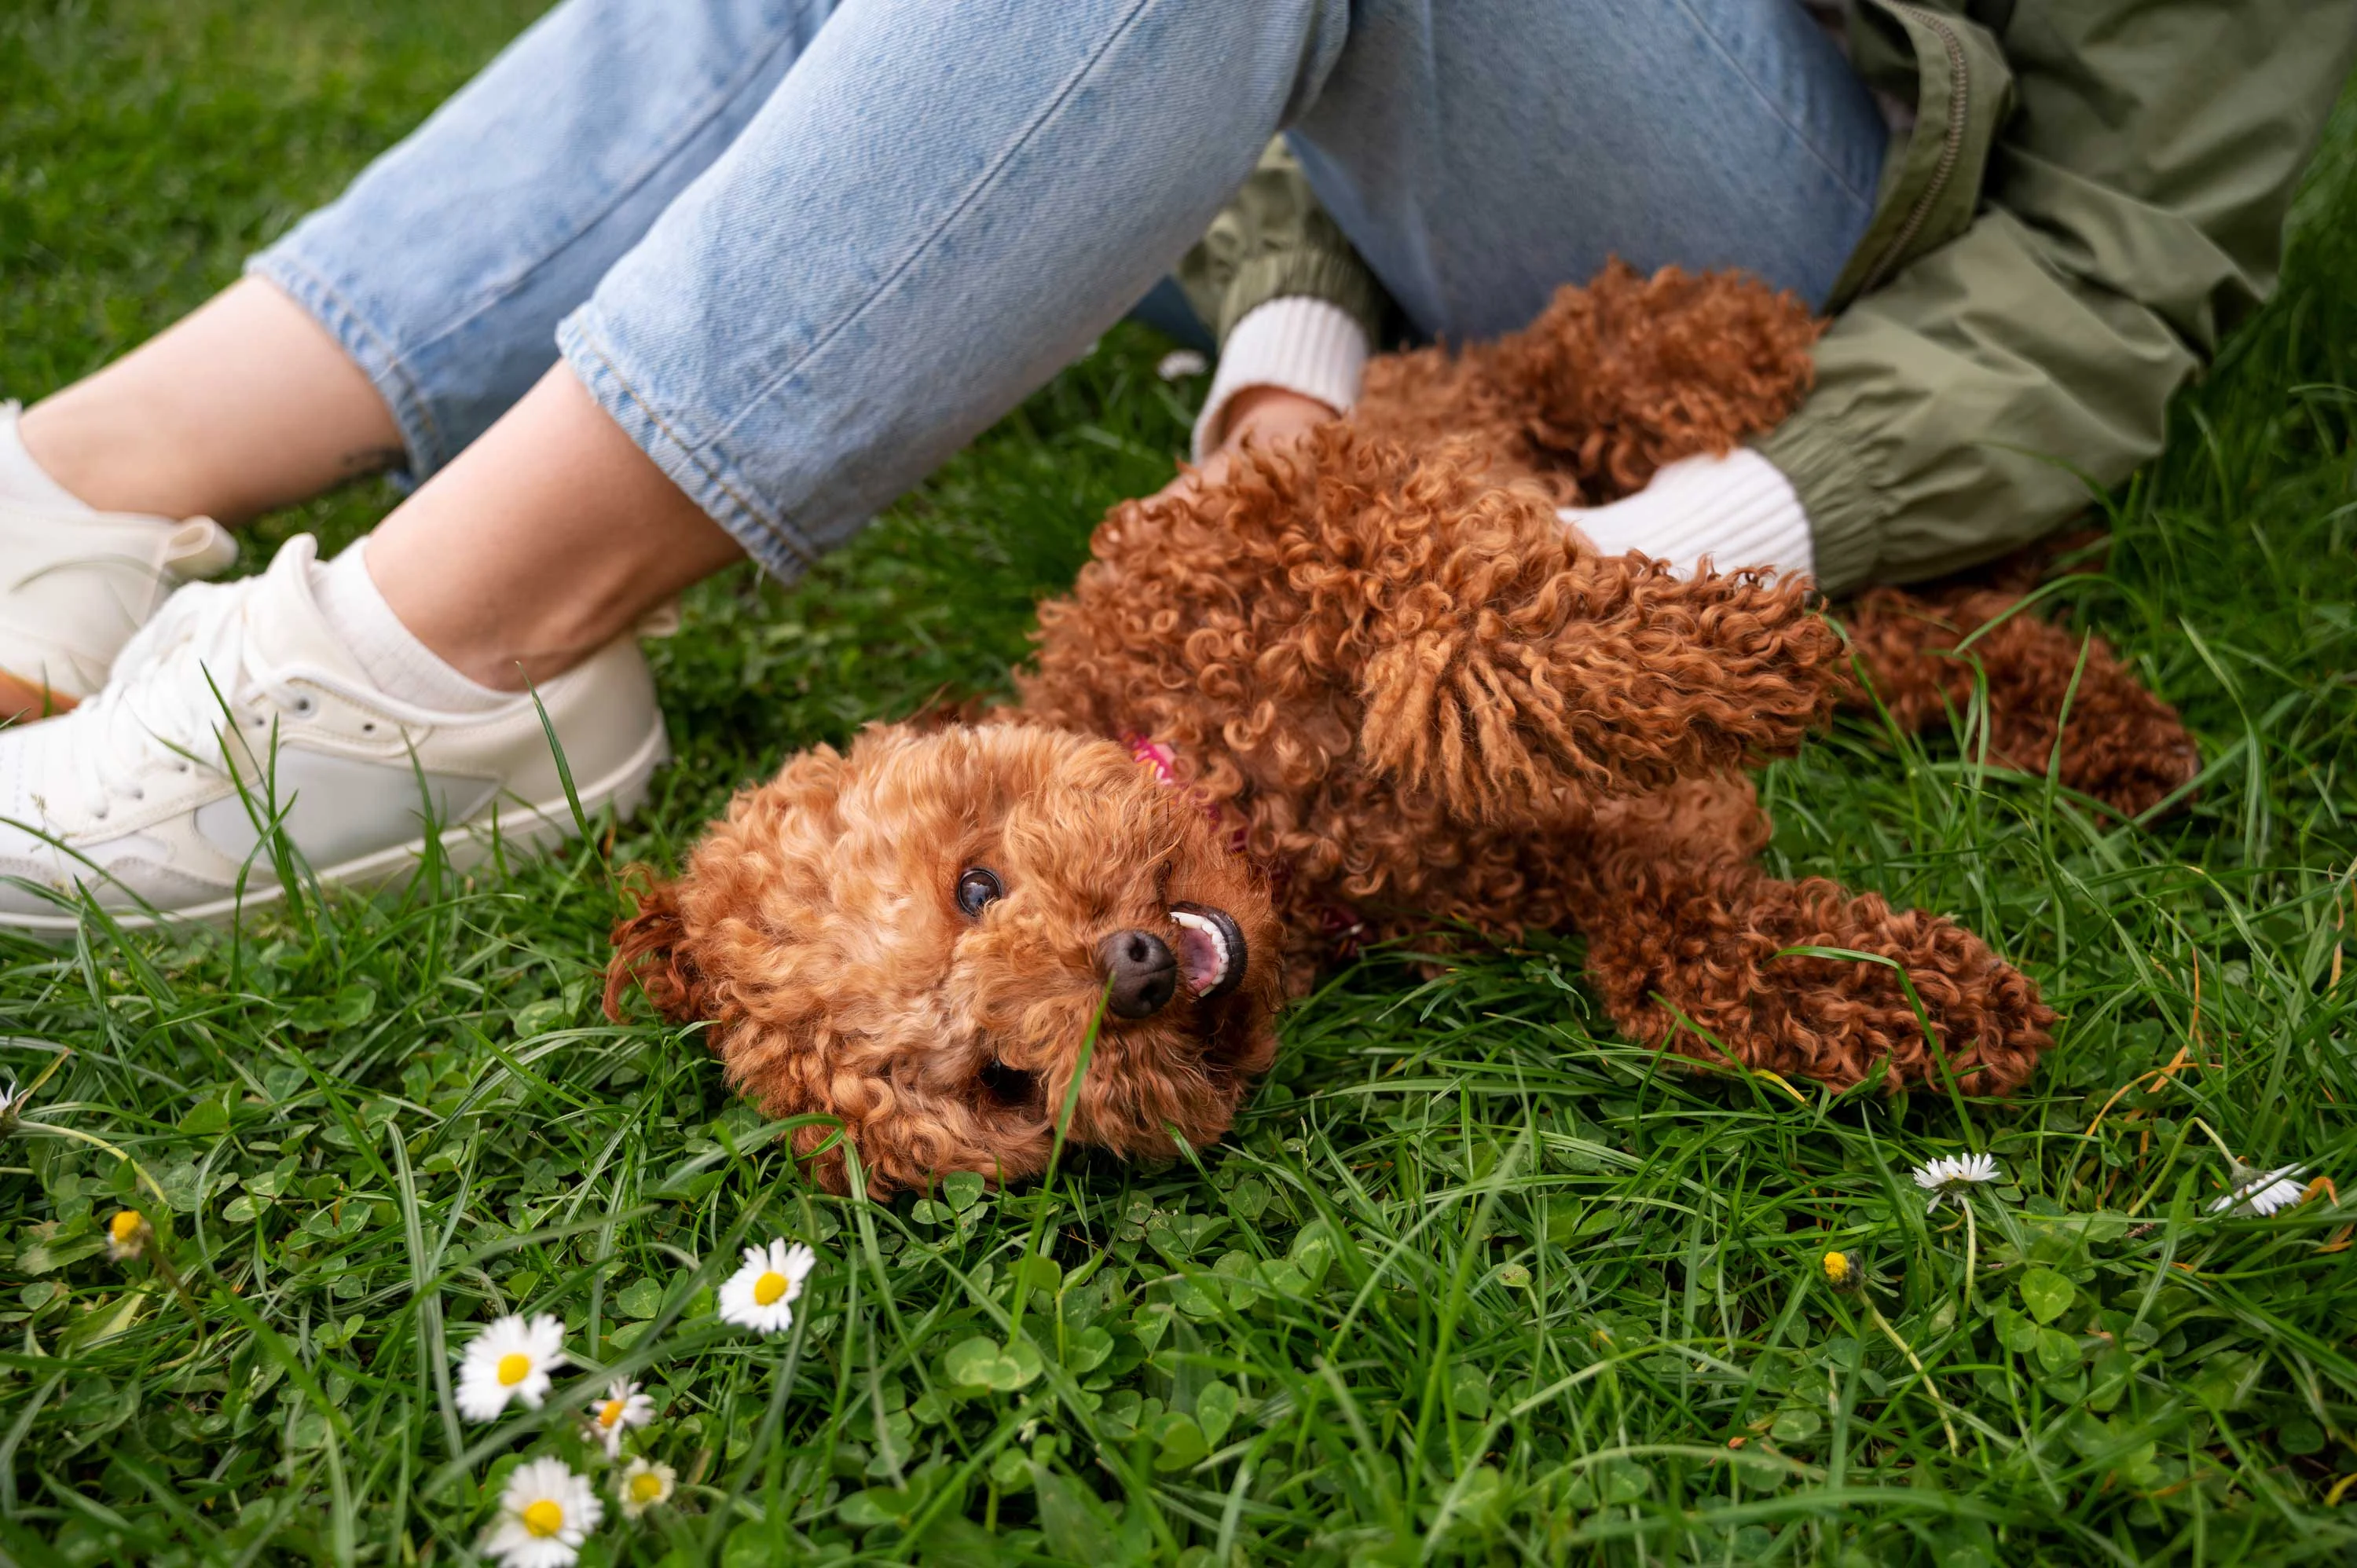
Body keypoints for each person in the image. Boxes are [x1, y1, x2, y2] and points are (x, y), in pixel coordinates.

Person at [0, 0, 2348, 931]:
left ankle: (457, 652)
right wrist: (1295, 354)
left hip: (1815, 252)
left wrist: (1695, 536)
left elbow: (2128, 259)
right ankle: (85, 491)